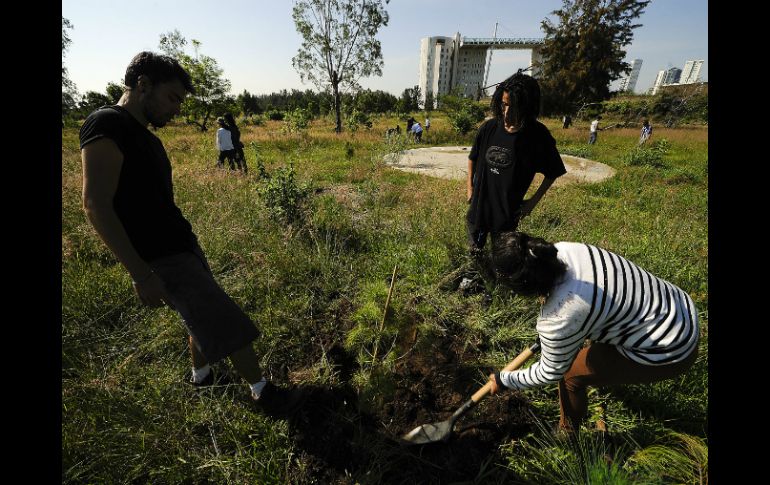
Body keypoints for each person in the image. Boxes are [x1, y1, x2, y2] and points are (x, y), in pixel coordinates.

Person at [79, 51, 303, 414]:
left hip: (179, 245)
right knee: (220, 315)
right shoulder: (107, 123)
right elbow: (95, 204)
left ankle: (202, 377)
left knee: (198, 313)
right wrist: (140, 273)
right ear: (143, 85)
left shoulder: (144, 136)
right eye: (172, 98)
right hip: (161, 255)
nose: (177, 110)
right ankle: (263, 391)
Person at [486, 231, 700, 435]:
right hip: (678, 307)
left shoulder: (559, 317)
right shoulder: (564, 250)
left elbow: (551, 372)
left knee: (570, 376)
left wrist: (505, 380)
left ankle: (567, 431)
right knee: (583, 348)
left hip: (671, 349)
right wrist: (557, 339)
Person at [466, 71, 567, 258]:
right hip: (479, 211)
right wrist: (470, 188)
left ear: (527, 106)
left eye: (513, 106)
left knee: (501, 259)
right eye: (503, 105)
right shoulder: (489, 128)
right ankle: (473, 279)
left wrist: (532, 203)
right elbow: (472, 157)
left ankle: (496, 284)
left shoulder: (537, 136)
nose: (506, 112)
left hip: (506, 217)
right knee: (475, 254)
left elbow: (553, 172)